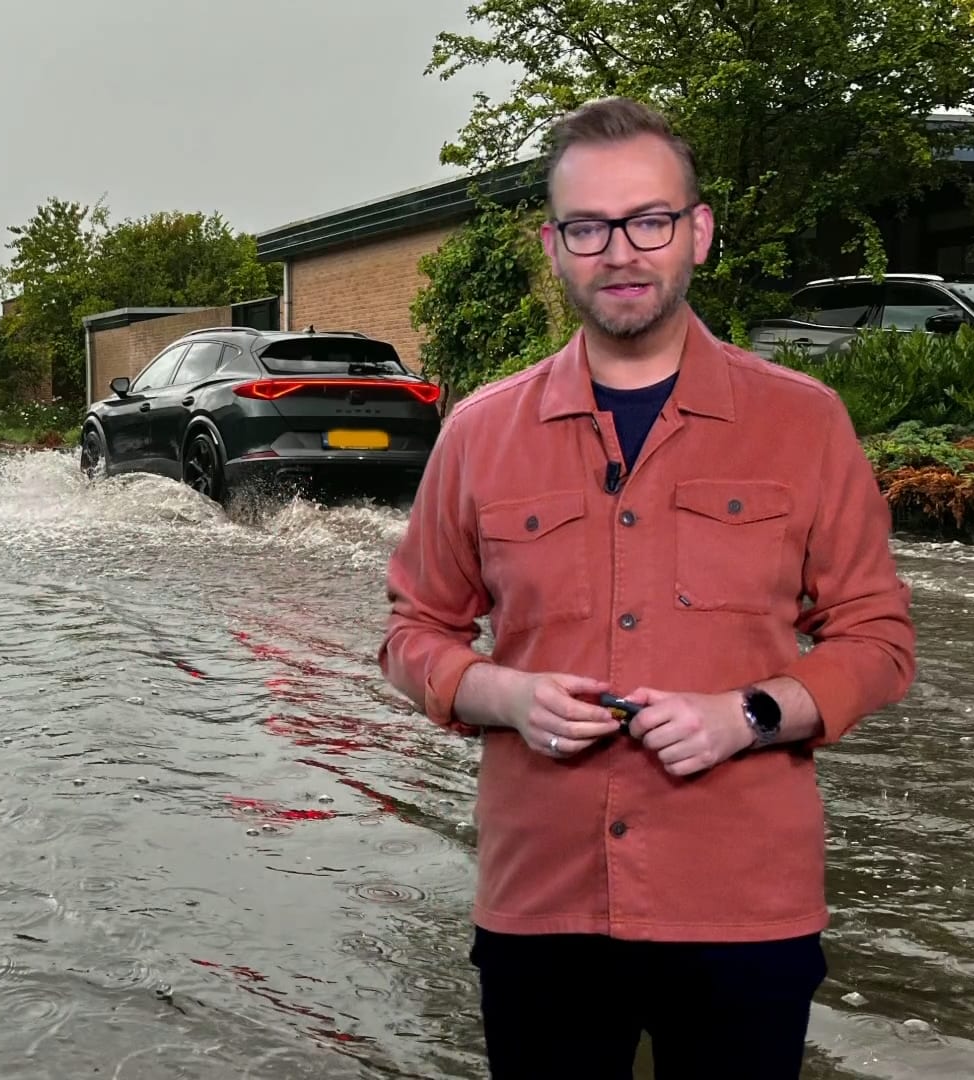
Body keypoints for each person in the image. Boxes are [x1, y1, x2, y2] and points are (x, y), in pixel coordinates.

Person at [376, 96, 917, 1079]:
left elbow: (877, 638)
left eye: (649, 220)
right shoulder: (479, 435)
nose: (619, 251)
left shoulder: (804, 424)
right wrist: (506, 694)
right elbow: (413, 629)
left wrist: (750, 714)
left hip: (745, 912)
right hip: (541, 906)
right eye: (588, 227)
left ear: (698, 232)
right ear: (555, 246)